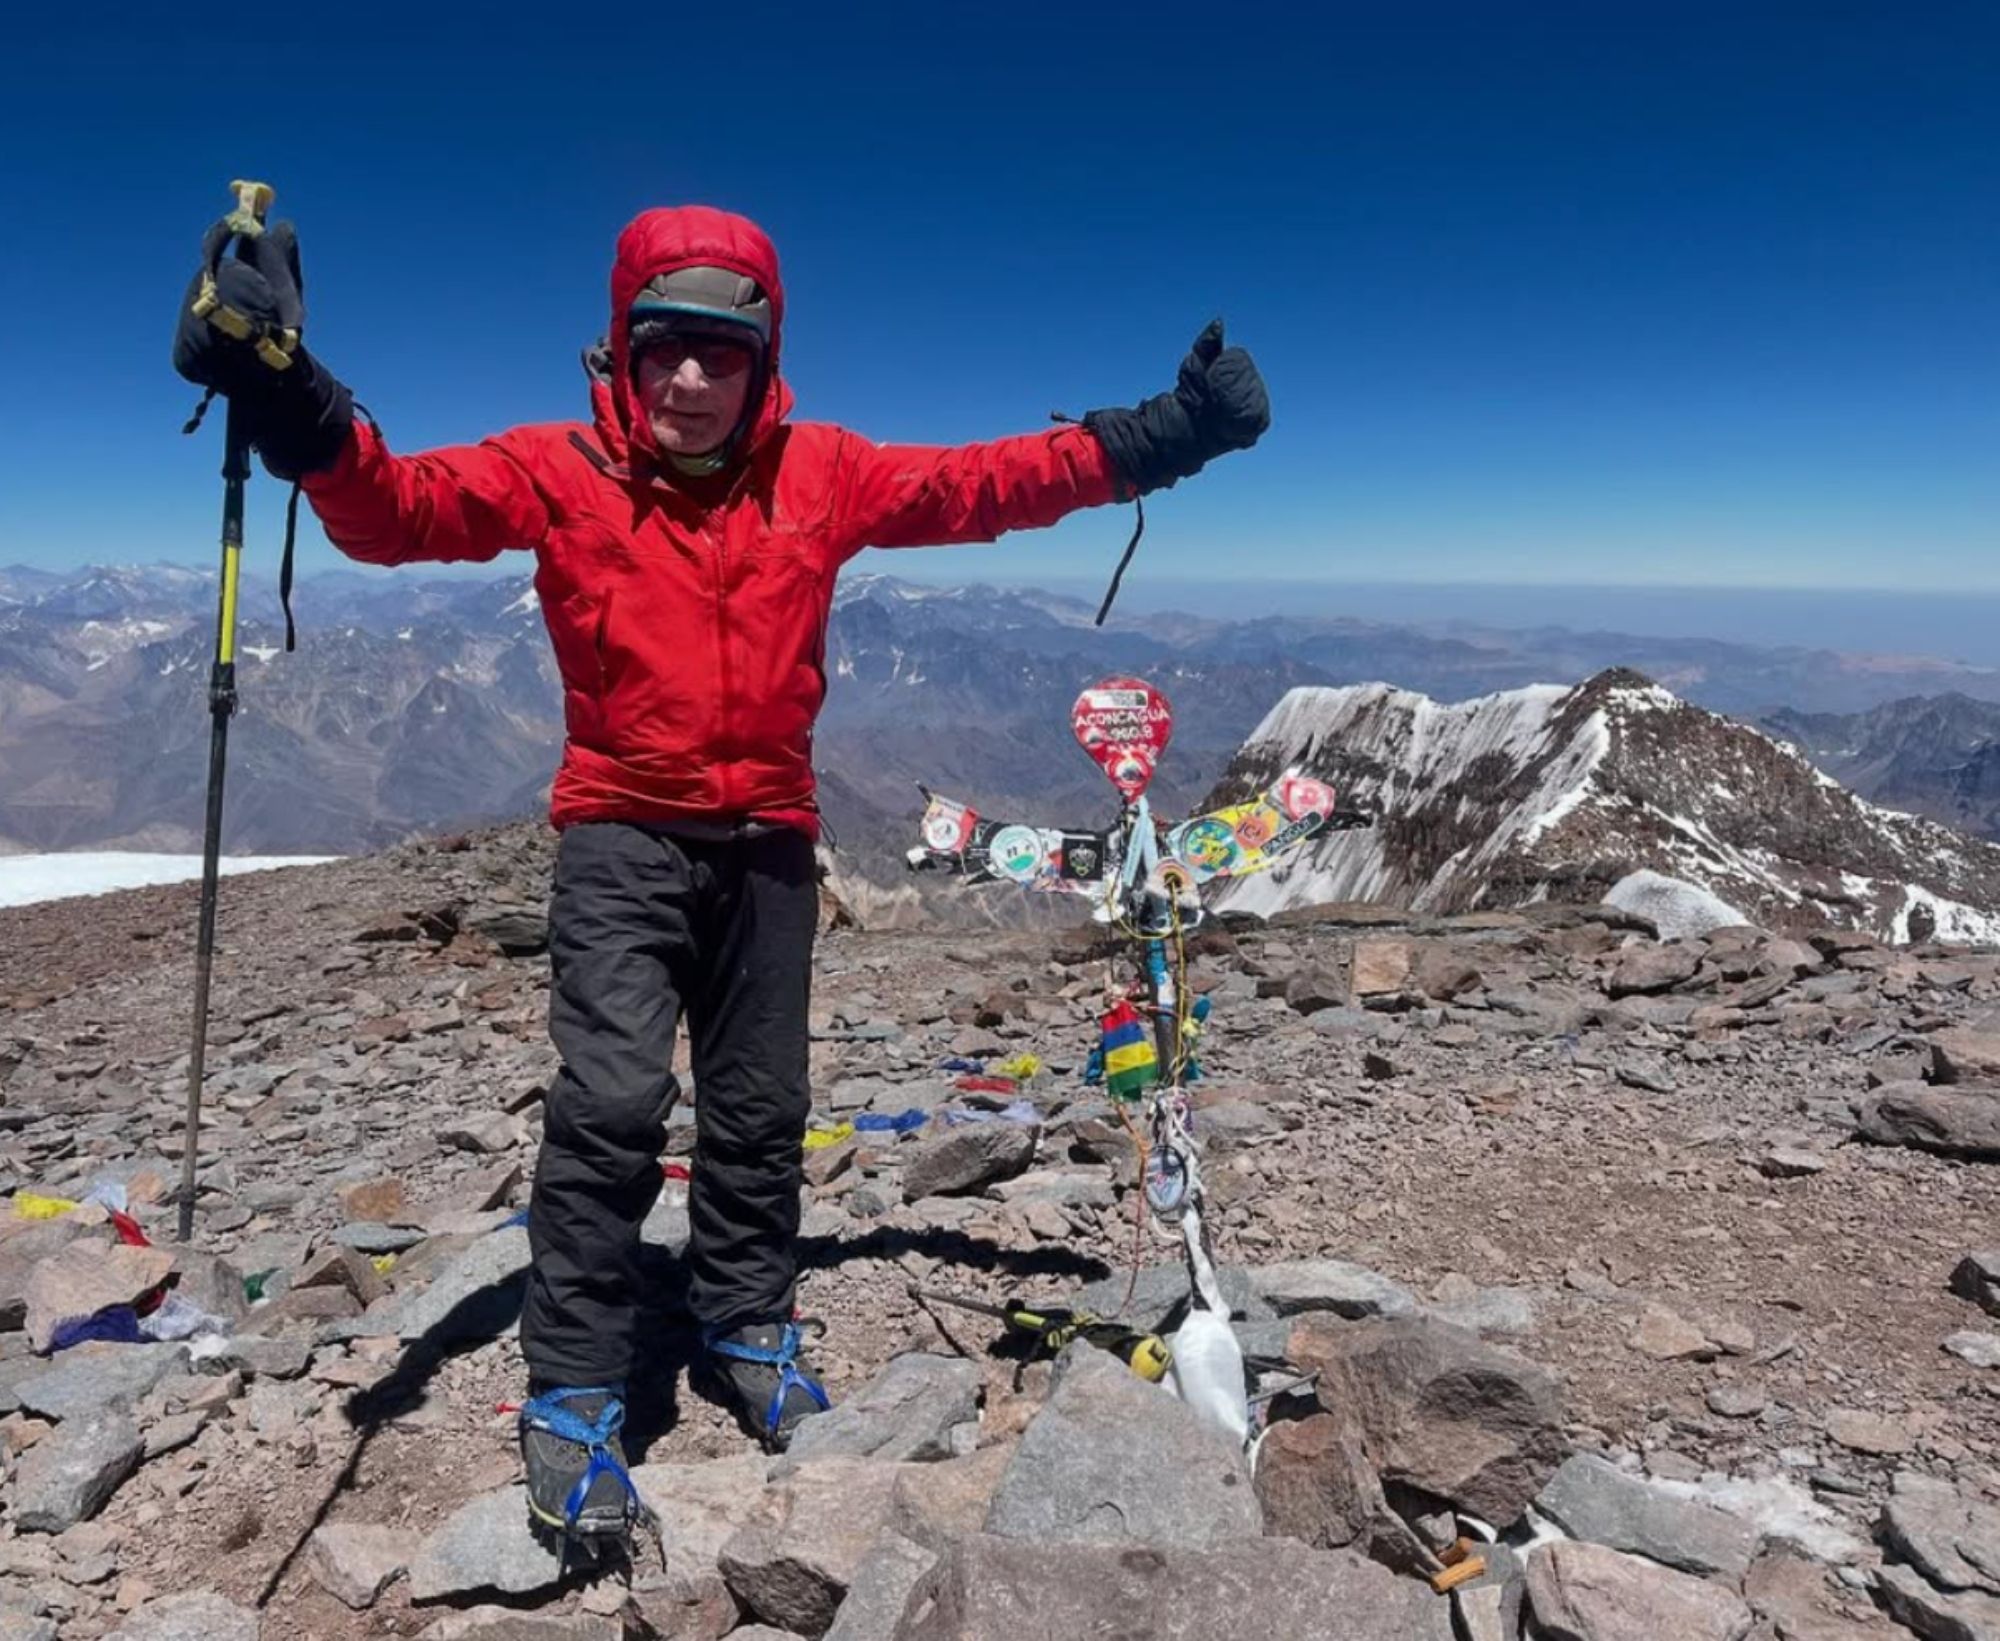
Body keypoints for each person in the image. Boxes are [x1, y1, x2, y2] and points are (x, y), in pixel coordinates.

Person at [174, 203, 1269, 1540]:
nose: (689, 380)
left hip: (768, 845)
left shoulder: (823, 473)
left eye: (720, 351)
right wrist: (294, 397)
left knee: (760, 1104)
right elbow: (398, 512)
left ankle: (747, 1314)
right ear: (621, 353)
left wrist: (1172, 432)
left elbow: (986, 483)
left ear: (764, 356)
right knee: (616, 1101)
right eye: (661, 350)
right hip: (620, 835)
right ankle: (574, 1380)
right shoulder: (561, 469)